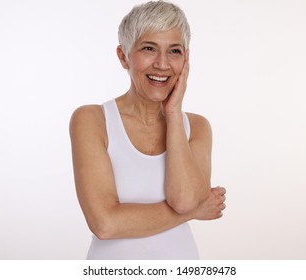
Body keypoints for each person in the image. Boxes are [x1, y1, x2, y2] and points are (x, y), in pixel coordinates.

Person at [69, 0, 226, 260]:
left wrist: (174, 113)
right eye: (149, 48)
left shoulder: (196, 127)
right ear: (123, 56)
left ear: (186, 59)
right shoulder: (92, 120)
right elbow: (105, 224)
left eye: (174, 51)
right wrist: (192, 213)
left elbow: (184, 199)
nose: (162, 64)